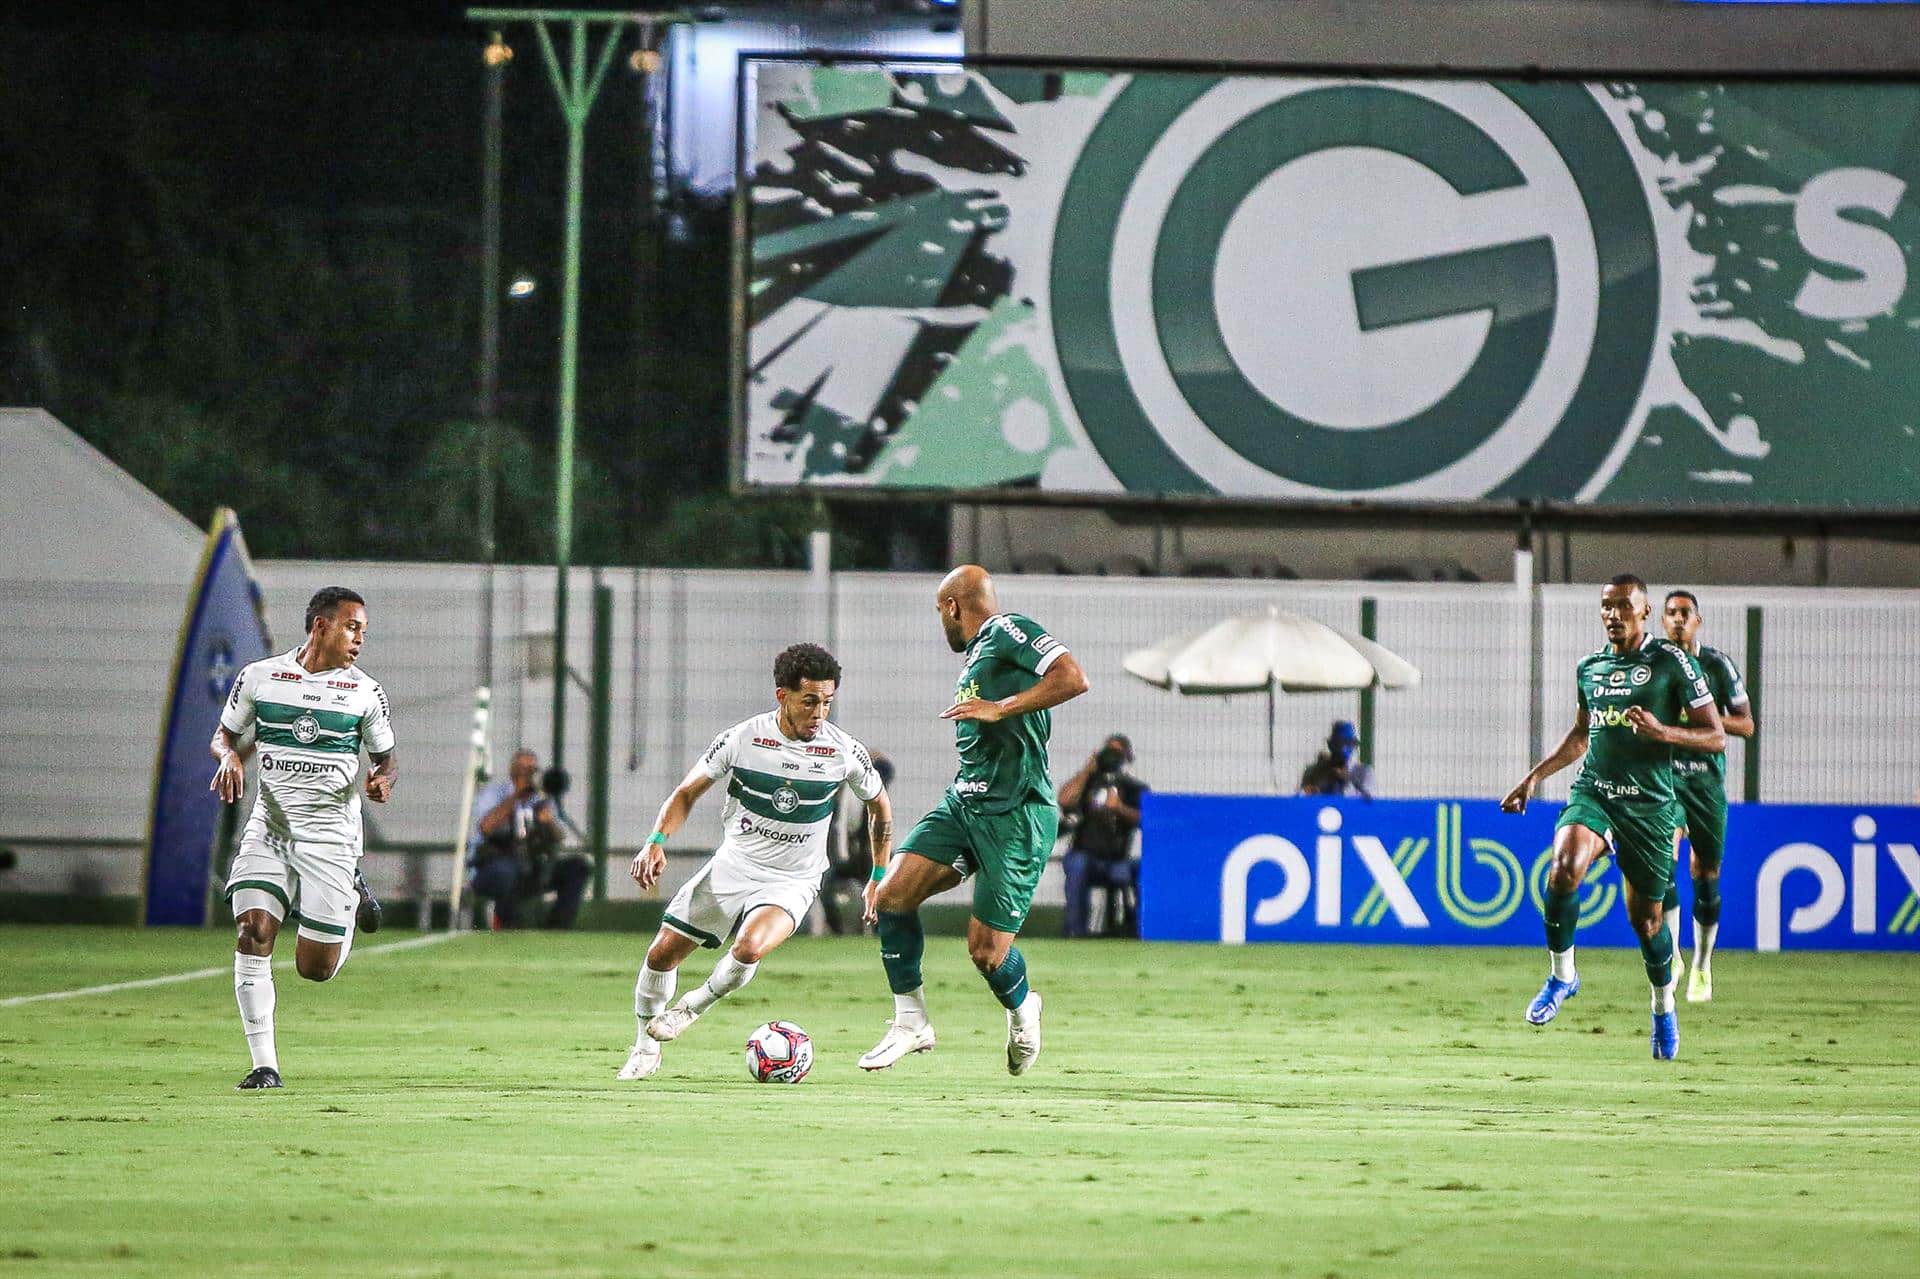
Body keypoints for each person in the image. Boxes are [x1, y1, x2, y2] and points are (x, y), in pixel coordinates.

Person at [617, 643, 890, 1081]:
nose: (819, 713)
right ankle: (645, 1047)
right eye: (810, 701)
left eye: (827, 702)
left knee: (750, 946)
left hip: (793, 879)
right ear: (782, 695)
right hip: (735, 865)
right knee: (661, 955)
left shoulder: (842, 751)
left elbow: (881, 808)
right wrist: (655, 841)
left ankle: (692, 1007)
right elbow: (686, 793)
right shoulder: (743, 738)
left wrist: (878, 874)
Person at [858, 565, 1089, 1075]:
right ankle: (910, 1022)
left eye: (940, 612)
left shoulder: (1008, 629)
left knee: (985, 952)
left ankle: (1025, 1007)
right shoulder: (976, 658)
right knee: (891, 895)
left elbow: (1073, 678)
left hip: (1017, 813)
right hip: (964, 802)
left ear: (952, 607)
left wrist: (1002, 707)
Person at [1502, 574, 1723, 1060]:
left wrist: (1664, 731)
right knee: (1562, 870)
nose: (1613, 614)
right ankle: (1563, 977)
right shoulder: (1590, 668)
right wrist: (1534, 777)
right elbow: (1582, 734)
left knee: (1646, 924)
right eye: (1607, 606)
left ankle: (1663, 1006)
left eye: (1624, 606)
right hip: (1595, 793)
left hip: (1648, 808)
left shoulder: (1672, 663)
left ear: (1644, 612)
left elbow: (1716, 737)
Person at [210, 586, 398, 1090]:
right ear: (321, 626)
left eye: (363, 631)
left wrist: (381, 779)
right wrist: (228, 756)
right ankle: (264, 1065)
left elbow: (385, 758)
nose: (359, 639)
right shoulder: (260, 677)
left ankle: (350, 893)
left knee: (314, 969)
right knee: (253, 932)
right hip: (269, 830)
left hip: (332, 840)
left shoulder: (365, 692)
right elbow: (225, 734)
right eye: (352, 627)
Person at [1661, 589, 1756, 1002]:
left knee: (1705, 874)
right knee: (1664, 859)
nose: (1678, 619)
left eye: (1685, 613)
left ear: (1698, 621)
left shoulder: (1716, 666)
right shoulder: (1655, 664)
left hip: (1705, 784)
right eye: (1671, 613)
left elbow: (1747, 725)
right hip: (1664, 780)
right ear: (1661, 621)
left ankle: (1701, 963)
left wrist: (1705, 715)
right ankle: (1672, 955)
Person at [468, 747, 590, 929]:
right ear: (512, 770)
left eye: (532, 770)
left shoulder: (541, 799)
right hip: (493, 867)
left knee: (578, 867)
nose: (528, 774)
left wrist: (548, 822)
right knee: (507, 871)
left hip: (531, 866)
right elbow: (485, 827)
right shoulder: (494, 793)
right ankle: (510, 927)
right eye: (523, 769)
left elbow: (559, 837)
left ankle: (557, 928)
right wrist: (516, 795)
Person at [1057, 734, 1147, 938]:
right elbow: (1064, 800)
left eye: (1118, 753)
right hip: (1086, 856)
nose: (1112, 758)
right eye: (1109, 752)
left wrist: (1120, 809)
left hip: (1117, 860)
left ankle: (1140, 929)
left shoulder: (1134, 788)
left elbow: (1146, 819)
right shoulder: (1087, 783)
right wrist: (1087, 771)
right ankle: (1075, 932)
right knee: (1077, 864)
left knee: (1141, 869)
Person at [818, 751, 896, 935]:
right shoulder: (844, 789)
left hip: (870, 853)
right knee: (825, 886)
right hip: (845, 852)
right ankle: (836, 930)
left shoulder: (877, 793)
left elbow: (886, 770)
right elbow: (839, 825)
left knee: (885, 886)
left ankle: (880, 930)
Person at [1299, 720, 1374, 798]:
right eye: (1338, 744)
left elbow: (1366, 801)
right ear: (1330, 745)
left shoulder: (1363, 772)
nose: (1343, 749)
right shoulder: (1314, 771)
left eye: (1348, 744)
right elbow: (1301, 798)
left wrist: (1346, 781)